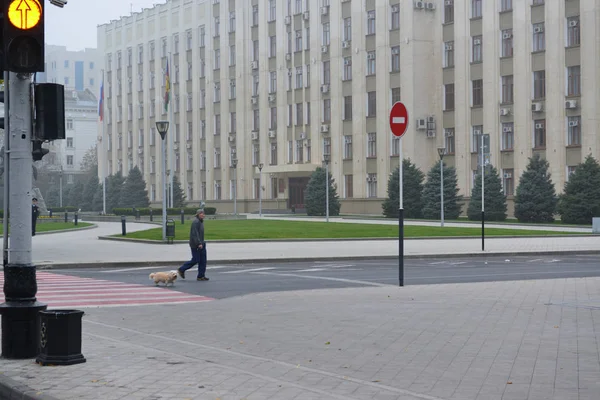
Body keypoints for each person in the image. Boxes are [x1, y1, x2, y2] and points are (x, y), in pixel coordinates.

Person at [178, 209, 209, 281]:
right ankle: (181, 269)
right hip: (196, 245)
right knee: (195, 260)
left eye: (203, 213)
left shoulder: (201, 222)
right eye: (201, 213)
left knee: (203, 261)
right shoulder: (196, 222)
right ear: (198, 214)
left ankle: (201, 276)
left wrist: (202, 243)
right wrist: (199, 243)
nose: (203, 215)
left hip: (202, 243)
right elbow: (194, 234)